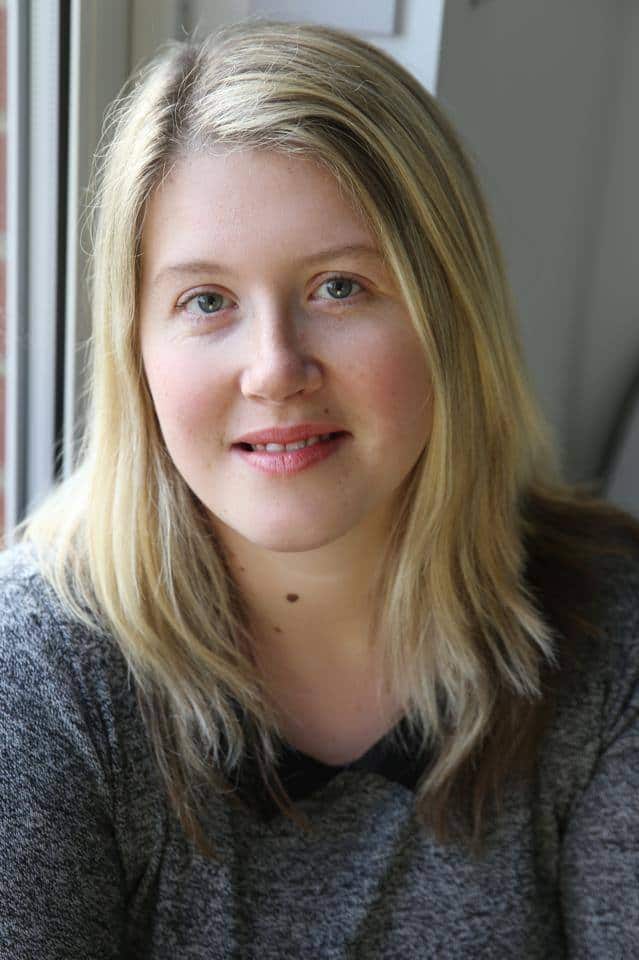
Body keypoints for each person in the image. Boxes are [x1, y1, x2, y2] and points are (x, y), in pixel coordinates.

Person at [1, 18, 638, 959]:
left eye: (338, 287)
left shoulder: (609, 627)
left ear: (448, 316)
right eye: (205, 301)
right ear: (136, 348)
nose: (273, 369)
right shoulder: (38, 678)